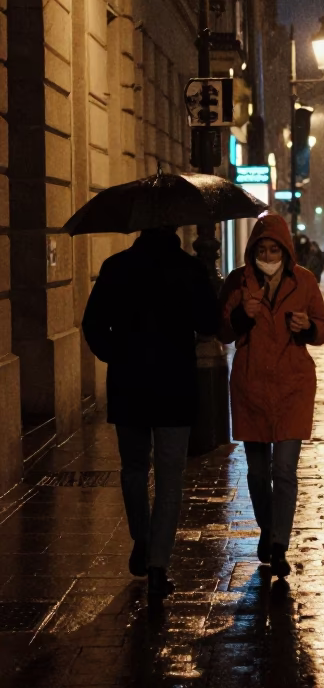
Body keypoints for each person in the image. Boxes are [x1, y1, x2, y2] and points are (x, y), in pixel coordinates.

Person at [81, 226, 218, 600]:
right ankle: (158, 565)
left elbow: (93, 325)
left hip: (130, 386)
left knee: (134, 469)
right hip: (175, 386)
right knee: (171, 479)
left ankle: (141, 537)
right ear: (174, 228)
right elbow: (209, 325)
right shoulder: (189, 269)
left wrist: (118, 354)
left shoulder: (117, 266)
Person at [218, 213, 324, 576]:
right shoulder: (239, 282)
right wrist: (240, 315)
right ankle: (267, 529)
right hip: (251, 387)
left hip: (292, 387)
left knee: (284, 469)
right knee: (256, 472)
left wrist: (308, 326)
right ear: (252, 251)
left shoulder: (305, 281)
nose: (267, 255)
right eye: (262, 249)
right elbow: (220, 329)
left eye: (274, 249)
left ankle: (279, 543)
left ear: (285, 250)